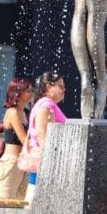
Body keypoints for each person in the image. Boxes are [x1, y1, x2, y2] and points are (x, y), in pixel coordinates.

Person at [22, 71, 68, 202]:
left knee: (35, 200)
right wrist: (51, 159)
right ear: (48, 87)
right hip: (44, 162)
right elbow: (42, 134)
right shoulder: (46, 105)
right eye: (60, 86)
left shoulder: (45, 104)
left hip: (43, 161)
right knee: (35, 202)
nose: (63, 90)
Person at [0, 78, 32, 200]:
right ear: (18, 93)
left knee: (21, 201)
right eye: (27, 91)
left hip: (22, 161)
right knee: (4, 201)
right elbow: (24, 139)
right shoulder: (12, 112)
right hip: (12, 161)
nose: (31, 93)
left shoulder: (24, 112)